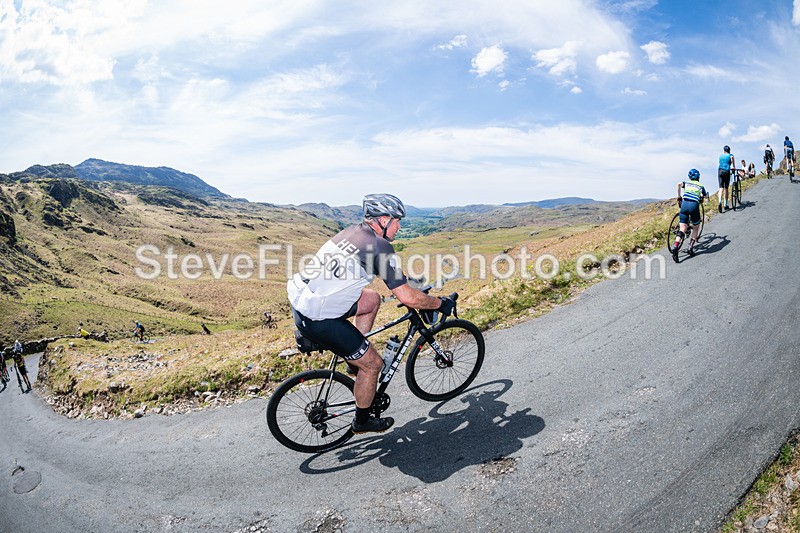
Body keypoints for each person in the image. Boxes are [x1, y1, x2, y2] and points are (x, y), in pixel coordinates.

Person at [287, 193, 456, 434]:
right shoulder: (380, 246)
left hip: (305, 302)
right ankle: (362, 420)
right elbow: (407, 297)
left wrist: (400, 280)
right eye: (397, 221)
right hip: (320, 319)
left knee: (371, 298)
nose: (399, 226)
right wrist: (439, 304)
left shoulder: (353, 232)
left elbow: (375, 271)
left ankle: (353, 360)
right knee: (373, 365)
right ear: (383, 219)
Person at [672, 168, 710, 262]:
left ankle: (676, 246)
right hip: (694, 205)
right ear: (698, 177)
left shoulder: (686, 183)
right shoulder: (701, 186)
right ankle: (690, 247)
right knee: (696, 227)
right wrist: (704, 198)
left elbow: (678, 184)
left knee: (682, 228)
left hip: (684, 205)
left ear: (689, 176)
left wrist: (679, 196)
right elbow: (705, 196)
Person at [718, 145, 735, 212]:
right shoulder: (730, 155)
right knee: (726, 188)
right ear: (729, 150)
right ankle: (725, 204)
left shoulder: (720, 156)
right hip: (726, 171)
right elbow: (732, 158)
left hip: (720, 170)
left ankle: (719, 201)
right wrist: (733, 166)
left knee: (721, 187)